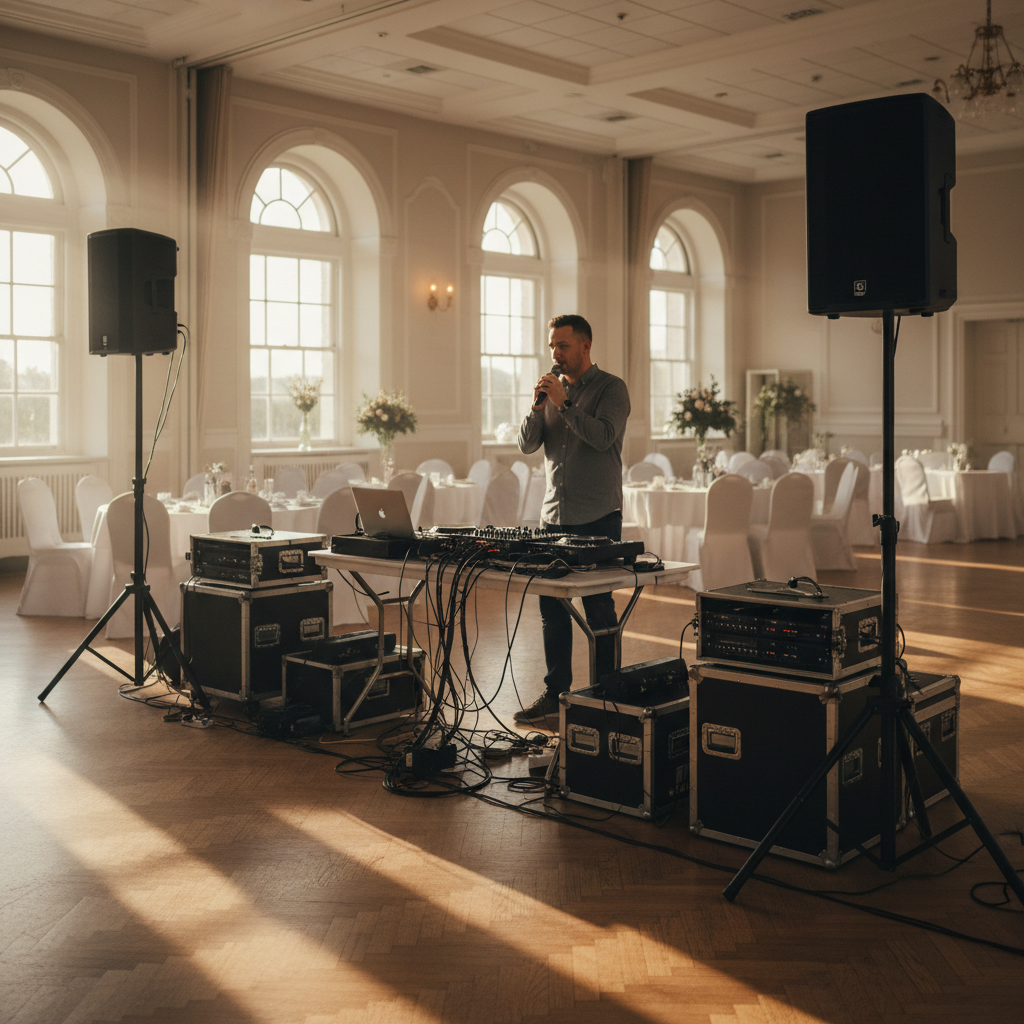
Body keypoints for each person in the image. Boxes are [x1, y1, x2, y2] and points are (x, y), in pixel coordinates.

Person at [514, 314, 631, 724]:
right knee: (552, 609)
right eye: (551, 346)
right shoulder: (551, 391)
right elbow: (527, 445)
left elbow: (602, 438)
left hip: (597, 517)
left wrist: (564, 405)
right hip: (554, 518)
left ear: (585, 346)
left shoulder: (611, 389)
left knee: (598, 607)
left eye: (562, 346)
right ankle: (555, 692)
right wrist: (538, 405)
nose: (555, 354)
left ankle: (606, 695)